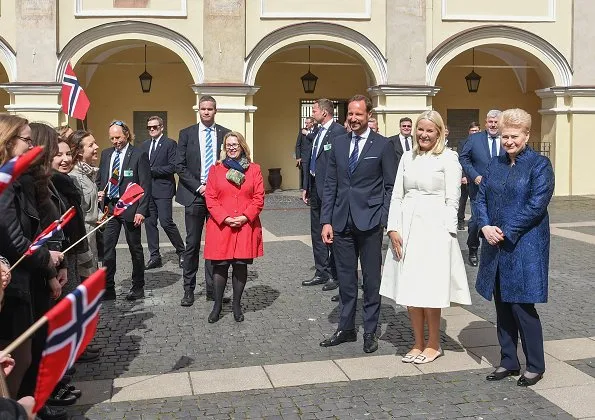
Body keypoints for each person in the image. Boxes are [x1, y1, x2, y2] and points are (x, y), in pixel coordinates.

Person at [380, 110, 471, 364]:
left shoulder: (449, 158)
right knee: (410, 287)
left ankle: (434, 343)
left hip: (435, 229)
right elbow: (397, 194)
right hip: (407, 226)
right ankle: (417, 341)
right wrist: (393, 228)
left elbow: (453, 200)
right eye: (421, 129)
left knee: (430, 288)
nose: (424, 134)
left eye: (430, 130)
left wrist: (448, 233)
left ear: (439, 132)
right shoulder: (407, 157)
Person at [475, 108, 554, 387]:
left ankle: (535, 364)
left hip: (525, 246)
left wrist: (506, 231)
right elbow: (480, 198)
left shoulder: (539, 165)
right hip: (496, 246)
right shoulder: (494, 164)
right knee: (502, 306)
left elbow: (537, 204)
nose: (509, 141)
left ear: (527, 135)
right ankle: (508, 359)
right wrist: (484, 226)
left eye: (514, 136)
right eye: (505, 136)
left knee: (522, 306)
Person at [319, 95, 396, 354]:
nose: (353, 119)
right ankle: (346, 327)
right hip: (341, 221)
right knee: (346, 278)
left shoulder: (383, 145)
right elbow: (330, 184)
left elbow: (390, 186)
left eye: (358, 115)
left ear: (368, 116)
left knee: (372, 279)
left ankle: (370, 331)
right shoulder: (338, 144)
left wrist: (384, 219)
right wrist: (326, 220)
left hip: (370, 221)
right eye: (350, 114)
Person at [175, 95, 231, 307]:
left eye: (210, 109)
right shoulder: (186, 134)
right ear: (198, 110)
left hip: (218, 197)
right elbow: (179, 165)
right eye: (203, 108)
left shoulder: (225, 134)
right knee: (192, 244)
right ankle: (188, 290)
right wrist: (200, 187)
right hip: (195, 194)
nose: (206, 112)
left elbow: (232, 162)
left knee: (216, 245)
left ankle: (213, 290)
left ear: (216, 111)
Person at [204, 132, 264, 323]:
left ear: (242, 146)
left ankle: (237, 305)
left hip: (245, 225)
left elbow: (258, 198)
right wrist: (226, 218)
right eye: (228, 145)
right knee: (220, 267)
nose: (231, 147)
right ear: (224, 147)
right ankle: (217, 305)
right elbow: (210, 198)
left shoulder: (254, 170)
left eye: (235, 144)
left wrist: (245, 217)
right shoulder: (216, 169)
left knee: (240, 266)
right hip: (222, 226)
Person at [97, 120, 151, 301]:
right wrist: (100, 193)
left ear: (126, 134)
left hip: (130, 208)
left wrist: (141, 210)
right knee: (107, 249)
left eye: (118, 137)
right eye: (112, 138)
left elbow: (145, 184)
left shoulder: (138, 154)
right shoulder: (106, 154)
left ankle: (138, 286)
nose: (115, 141)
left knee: (134, 248)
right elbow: (101, 179)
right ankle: (108, 287)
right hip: (110, 208)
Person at [300, 99, 346, 293]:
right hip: (314, 189)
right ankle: (321, 271)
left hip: (329, 192)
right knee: (316, 233)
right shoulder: (318, 131)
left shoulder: (338, 132)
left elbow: (337, 165)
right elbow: (311, 160)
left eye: (315, 110)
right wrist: (306, 186)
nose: (313, 114)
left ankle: (336, 274)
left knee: (331, 234)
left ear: (325, 113)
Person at [459, 110, 504, 267]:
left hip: (501, 190)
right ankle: (472, 248)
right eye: (490, 121)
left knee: (499, 220)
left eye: (496, 122)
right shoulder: (475, 139)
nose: (492, 124)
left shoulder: (507, 139)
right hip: (478, 189)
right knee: (476, 221)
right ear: (485, 123)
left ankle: (498, 252)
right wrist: (474, 175)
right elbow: (463, 157)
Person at [140, 116, 185, 270]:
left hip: (164, 189)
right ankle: (154, 256)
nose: (152, 130)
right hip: (147, 190)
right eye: (149, 127)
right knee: (150, 223)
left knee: (166, 221)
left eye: (155, 127)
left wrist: (151, 171)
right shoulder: (144, 145)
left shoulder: (170, 144)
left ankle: (182, 251)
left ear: (161, 127)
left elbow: (172, 167)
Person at [68, 130, 100, 277]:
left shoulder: (88, 173)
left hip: (91, 237)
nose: (96, 147)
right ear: (80, 151)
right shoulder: (74, 177)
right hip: (83, 239)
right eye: (91, 145)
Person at [457, 122, 481, 230]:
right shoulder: (462, 143)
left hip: (477, 177)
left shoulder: (482, 143)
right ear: (469, 131)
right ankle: (460, 221)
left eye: (476, 130)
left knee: (475, 200)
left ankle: (475, 220)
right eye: (472, 130)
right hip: (465, 177)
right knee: (463, 199)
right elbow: (461, 160)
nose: (474, 132)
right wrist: (463, 175)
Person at [295, 117, 316, 190]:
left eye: (308, 123)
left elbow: (315, 138)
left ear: (312, 123)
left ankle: (313, 192)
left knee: (313, 176)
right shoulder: (302, 131)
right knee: (305, 176)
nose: (306, 124)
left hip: (314, 157)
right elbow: (298, 145)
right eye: (305, 123)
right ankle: (306, 193)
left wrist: (307, 134)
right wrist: (298, 157)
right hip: (304, 158)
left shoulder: (317, 130)